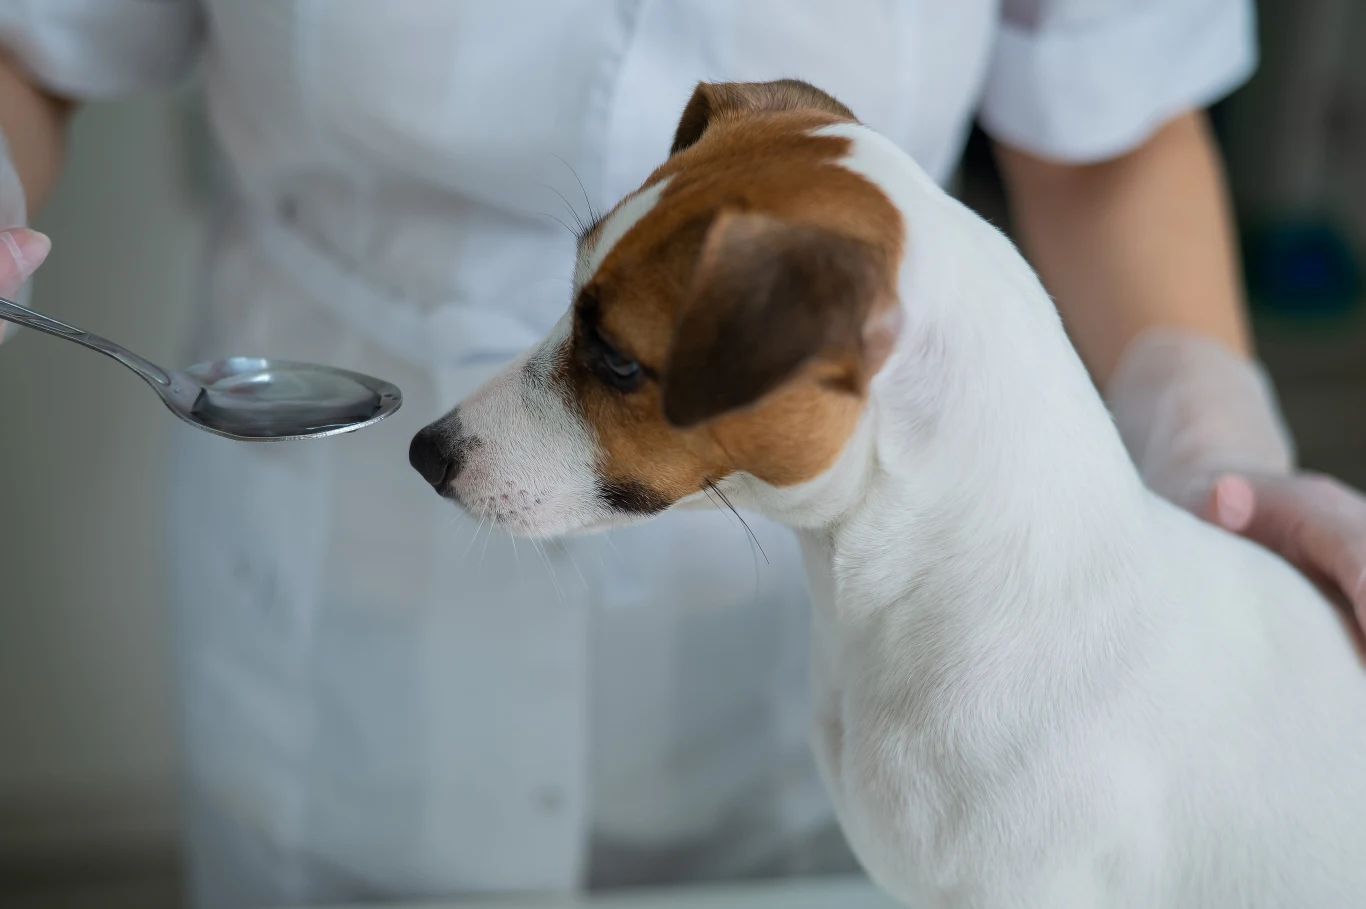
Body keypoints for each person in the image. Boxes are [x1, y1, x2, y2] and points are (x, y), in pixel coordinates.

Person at [1, 2, 1363, 907]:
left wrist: (1214, 454)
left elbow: (1108, 120)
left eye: (618, 369)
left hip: (764, 725)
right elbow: (34, 37)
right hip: (333, 640)